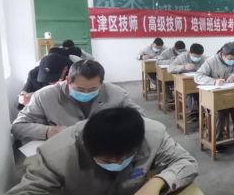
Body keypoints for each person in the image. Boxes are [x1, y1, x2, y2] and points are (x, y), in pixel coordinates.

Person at [0, 107, 198, 195]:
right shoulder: (57, 153)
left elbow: (186, 162)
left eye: (126, 157)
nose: (118, 164)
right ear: (86, 147)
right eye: (107, 161)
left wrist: (158, 182)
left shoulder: (152, 135)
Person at [11, 60, 145, 144]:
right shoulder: (44, 96)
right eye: (80, 89)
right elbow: (17, 127)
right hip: (63, 152)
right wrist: (47, 131)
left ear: (102, 83)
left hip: (105, 151)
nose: (86, 93)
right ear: (68, 81)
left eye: (93, 89)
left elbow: (140, 116)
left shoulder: (115, 93)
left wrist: (119, 128)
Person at [194, 42, 234, 152]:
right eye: (230, 59)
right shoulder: (210, 61)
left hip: (230, 96)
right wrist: (214, 81)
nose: (232, 61)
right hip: (214, 98)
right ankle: (217, 140)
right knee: (219, 112)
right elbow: (198, 76)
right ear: (223, 54)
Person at [168, 43, 207, 122]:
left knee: (203, 92)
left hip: (198, 83)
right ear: (189, 53)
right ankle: (194, 113)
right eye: (195, 56)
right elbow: (169, 69)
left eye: (199, 57)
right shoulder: (181, 57)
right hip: (185, 84)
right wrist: (184, 67)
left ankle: (204, 113)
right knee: (189, 93)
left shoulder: (204, 58)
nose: (197, 58)